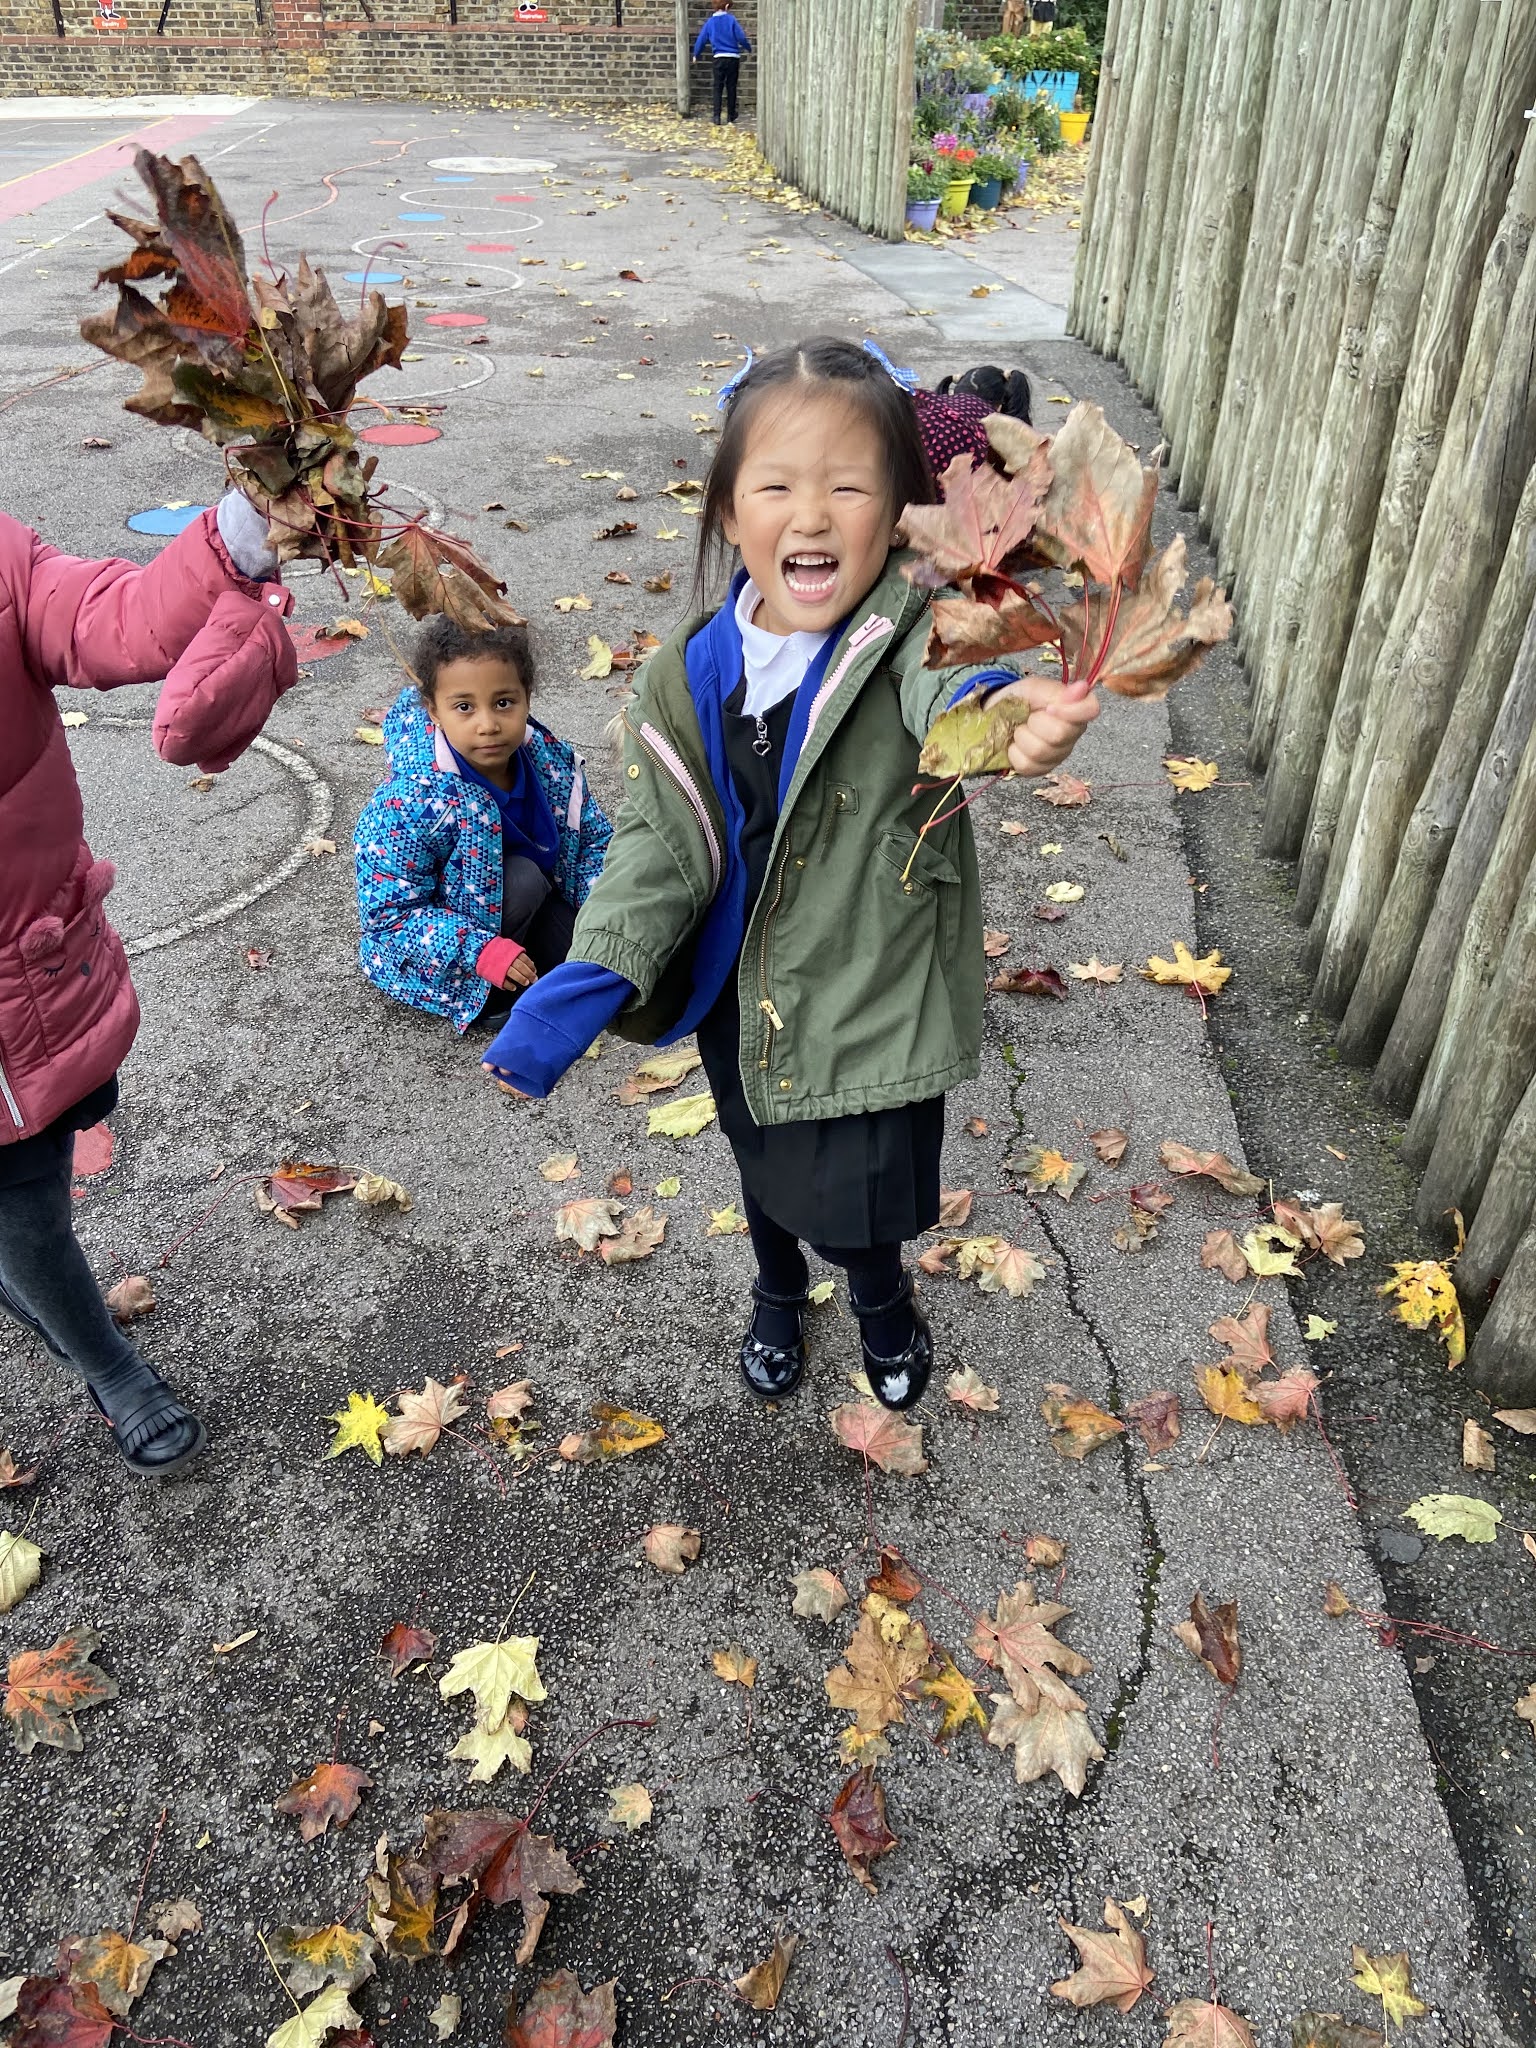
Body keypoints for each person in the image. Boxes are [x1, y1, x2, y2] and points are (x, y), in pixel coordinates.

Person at [481, 336, 1097, 1412]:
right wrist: (588, 977)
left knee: (863, 1192)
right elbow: (659, 841)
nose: (811, 516)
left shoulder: (907, 633)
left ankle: (877, 1298)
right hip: (746, 984)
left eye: (848, 486)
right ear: (729, 512)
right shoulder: (690, 673)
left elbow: (947, 690)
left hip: (868, 977)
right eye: (777, 485)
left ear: (900, 513)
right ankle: (774, 1284)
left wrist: (1004, 721)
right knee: (757, 1144)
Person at [0, 491, 296, 1478]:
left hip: (34, 977)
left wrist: (241, 529)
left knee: (68, 1117)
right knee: (27, 1208)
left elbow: (109, 617)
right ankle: (107, 1361)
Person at [355, 617, 611, 1033]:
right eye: (464, 707)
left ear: (527, 698)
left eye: (504, 703)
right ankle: (481, 989)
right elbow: (389, 914)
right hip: (447, 947)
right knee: (525, 879)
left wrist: (607, 900)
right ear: (433, 711)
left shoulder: (549, 761)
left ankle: (531, 958)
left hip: (530, 902)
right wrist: (480, 952)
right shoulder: (413, 799)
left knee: (600, 961)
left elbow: (591, 844)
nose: (488, 724)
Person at [693, 0, 752, 126]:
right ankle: (731, 115)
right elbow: (741, 37)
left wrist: (696, 54)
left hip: (718, 58)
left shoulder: (710, 22)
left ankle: (716, 116)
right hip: (733, 58)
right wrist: (748, 48)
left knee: (717, 87)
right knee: (731, 87)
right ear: (726, 6)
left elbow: (701, 39)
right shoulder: (731, 20)